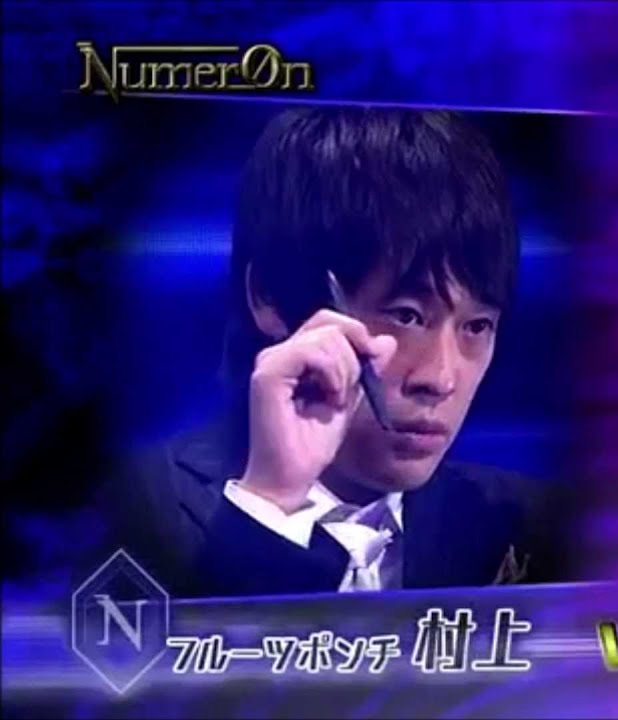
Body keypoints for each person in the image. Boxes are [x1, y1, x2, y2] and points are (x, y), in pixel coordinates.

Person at [101, 106, 561, 597]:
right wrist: (270, 505)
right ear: (271, 296)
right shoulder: (127, 513)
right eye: (406, 316)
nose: (441, 378)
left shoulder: (534, 525)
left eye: (477, 326)